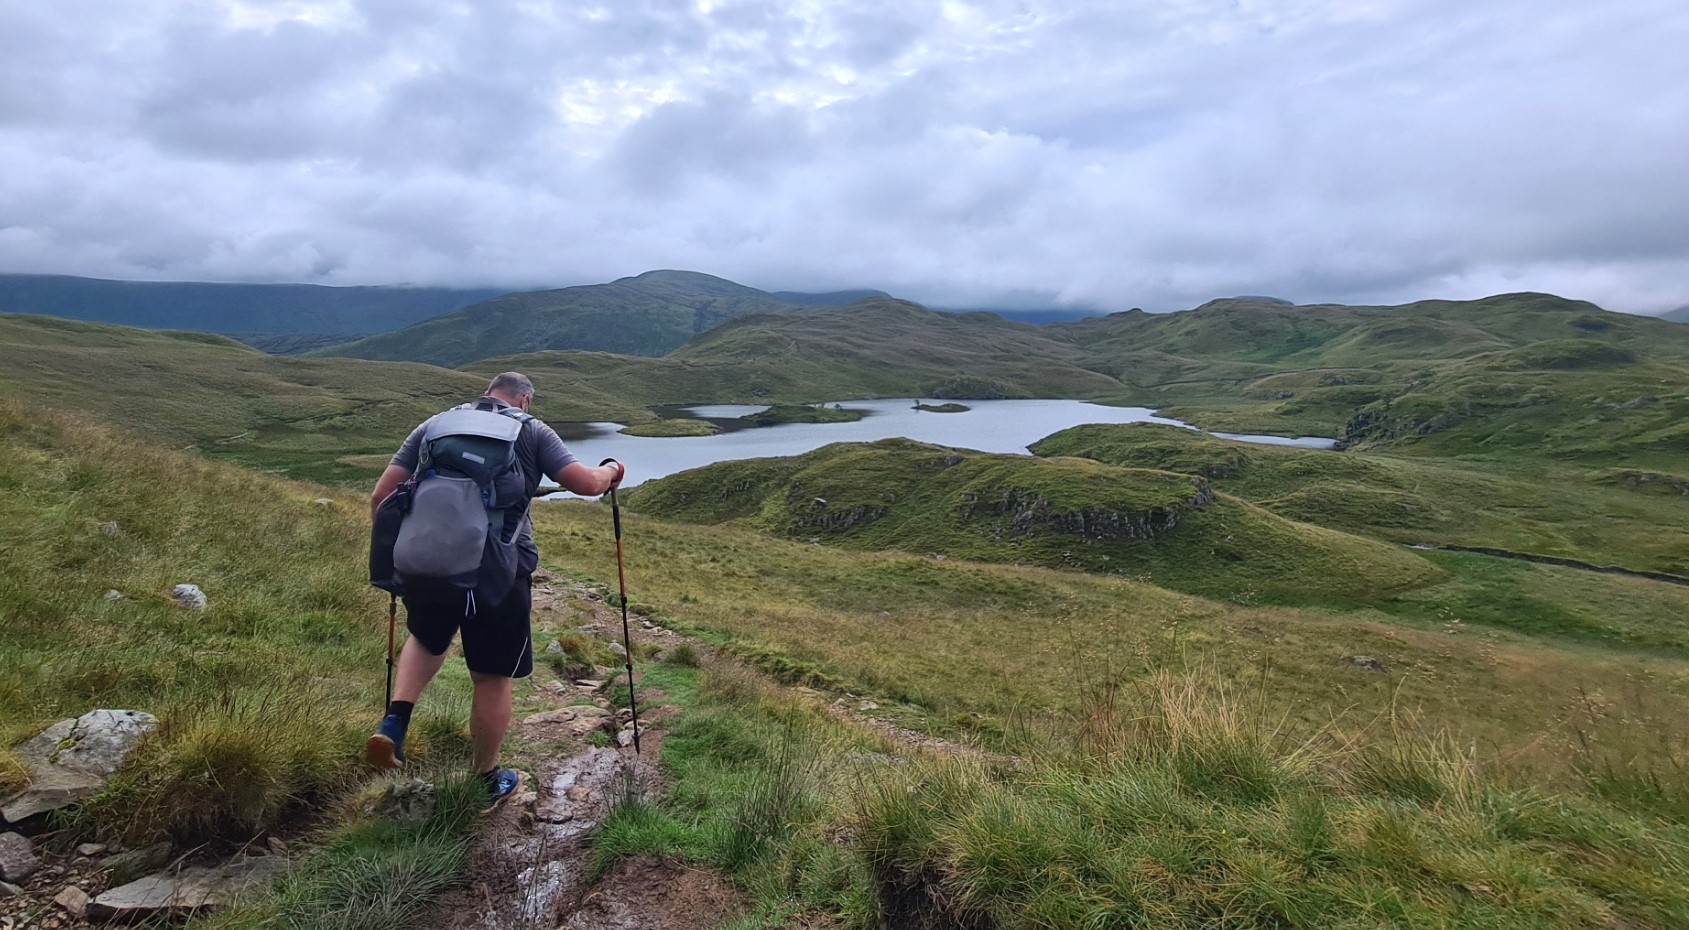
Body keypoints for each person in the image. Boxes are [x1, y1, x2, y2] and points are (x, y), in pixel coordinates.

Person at [364, 372, 623, 806]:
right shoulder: (532, 430)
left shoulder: (435, 425)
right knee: (490, 677)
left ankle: (394, 722)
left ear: (487, 394)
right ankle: (485, 780)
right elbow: (585, 484)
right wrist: (613, 469)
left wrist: (399, 558)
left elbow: (381, 497)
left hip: (428, 565)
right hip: (496, 575)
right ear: (524, 401)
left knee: (427, 640)